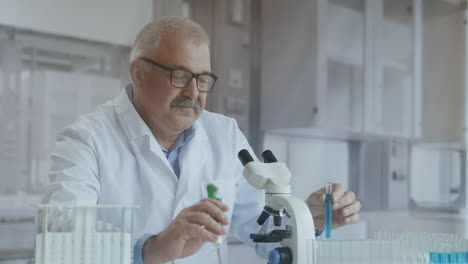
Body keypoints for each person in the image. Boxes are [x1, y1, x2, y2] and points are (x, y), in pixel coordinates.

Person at [42, 16, 361, 264]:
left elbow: (258, 227)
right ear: (138, 73)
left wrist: (306, 220)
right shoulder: (86, 140)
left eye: (203, 79)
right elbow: (63, 238)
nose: (193, 93)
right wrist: (151, 250)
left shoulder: (224, 135)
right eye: (179, 76)